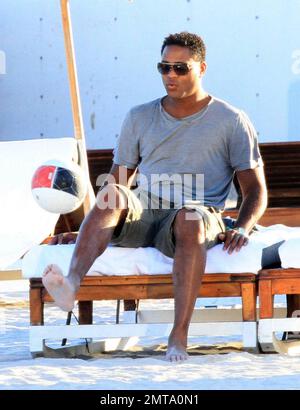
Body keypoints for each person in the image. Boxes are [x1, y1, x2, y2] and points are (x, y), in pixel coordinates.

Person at [42, 32, 268, 362]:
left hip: (197, 212)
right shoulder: (139, 116)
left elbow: (256, 190)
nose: (170, 75)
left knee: (188, 218)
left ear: (201, 68)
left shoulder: (231, 120)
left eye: (180, 67)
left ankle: (179, 334)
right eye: (164, 67)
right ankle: (71, 285)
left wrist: (243, 227)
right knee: (113, 194)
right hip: (147, 208)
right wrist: (89, 231)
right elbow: (117, 185)